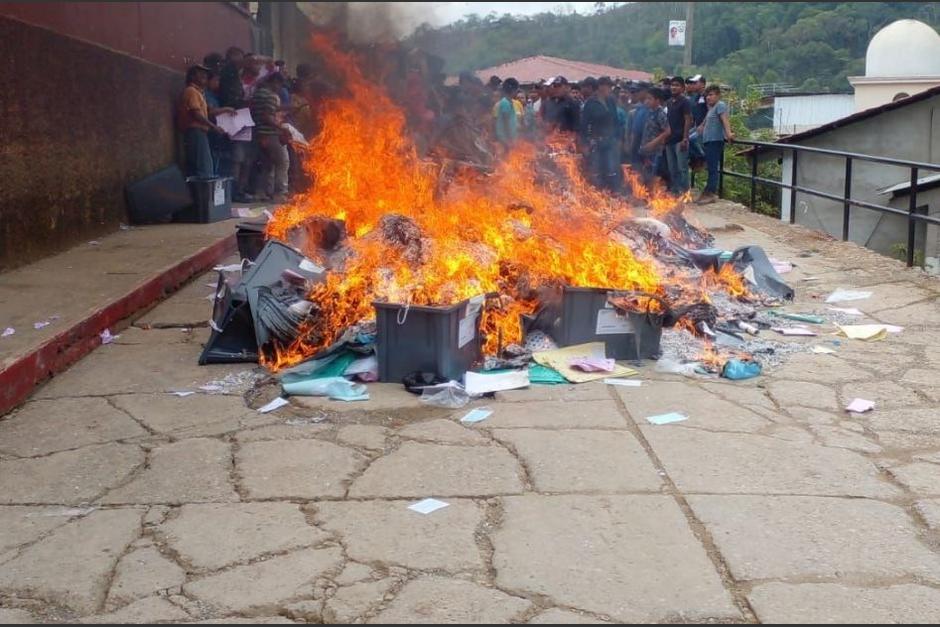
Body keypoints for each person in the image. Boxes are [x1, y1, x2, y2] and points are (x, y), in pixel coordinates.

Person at [178, 65, 225, 178]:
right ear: (192, 76)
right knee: (204, 168)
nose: (204, 75)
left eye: (205, 73)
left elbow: (207, 111)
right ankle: (203, 194)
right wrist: (213, 126)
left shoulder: (199, 93)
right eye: (200, 72)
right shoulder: (191, 91)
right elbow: (196, 114)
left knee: (203, 165)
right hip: (195, 131)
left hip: (199, 132)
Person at [250, 73, 290, 201]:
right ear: (274, 82)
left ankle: (262, 192)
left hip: (258, 134)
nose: (280, 88)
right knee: (283, 161)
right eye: (280, 84)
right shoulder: (271, 96)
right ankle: (280, 193)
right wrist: (281, 127)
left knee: (267, 165)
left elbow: (262, 111)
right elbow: (267, 116)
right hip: (271, 134)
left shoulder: (257, 94)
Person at [579, 76, 621, 191]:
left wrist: (618, 138)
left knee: (612, 169)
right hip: (597, 142)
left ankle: (614, 194)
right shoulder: (590, 103)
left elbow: (615, 120)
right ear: (601, 87)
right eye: (609, 87)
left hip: (610, 141)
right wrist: (584, 144)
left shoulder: (611, 101)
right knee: (598, 170)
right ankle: (601, 194)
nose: (610, 90)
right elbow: (584, 125)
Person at [696, 84, 734, 205]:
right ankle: (707, 191)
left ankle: (710, 193)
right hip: (708, 141)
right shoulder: (711, 109)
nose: (708, 97)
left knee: (713, 168)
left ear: (718, 95)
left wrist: (729, 133)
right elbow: (705, 122)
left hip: (715, 140)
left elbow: (725, 120)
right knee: (710, 167)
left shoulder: (720, 105)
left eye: (711, 95)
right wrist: (701, 126)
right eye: (707, 95)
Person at [664, 76, 692, 195]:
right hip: (669, 140)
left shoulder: (685, 102)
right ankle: (675, 191)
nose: (673, 87)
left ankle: (685, 193)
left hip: (680, 139)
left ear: (682, 88)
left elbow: (688, 119)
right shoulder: (669, 102)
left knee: (682, 168)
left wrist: (685, 138)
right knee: (672, 168)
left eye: (677, 85)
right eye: (672, 85)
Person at [204, 70, 236, 176]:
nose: (218, 83)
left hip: (218, 132)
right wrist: (225, 109)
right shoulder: (205, 95)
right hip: (209, 132)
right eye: (215, 80)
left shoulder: (214, 96)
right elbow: (209, 112)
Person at [638, 87, 670, 187]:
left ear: (657, 100)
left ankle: (654, 198)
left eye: (650, 99)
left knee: (653, 175)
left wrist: (653, 143)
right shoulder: (648, 112)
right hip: (646, 150)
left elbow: (668, 131)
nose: (647, 101)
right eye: (646, 98)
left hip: (656, 151)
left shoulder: (660, 114)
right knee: (645, 175)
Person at [494, 77, 520, 150]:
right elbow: (506, 122)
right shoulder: (505, 103)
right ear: (513, 90)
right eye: (517, 90)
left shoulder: (509, 102)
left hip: (509, 140)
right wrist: (508, 142)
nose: (517, 92)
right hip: (506, 141)